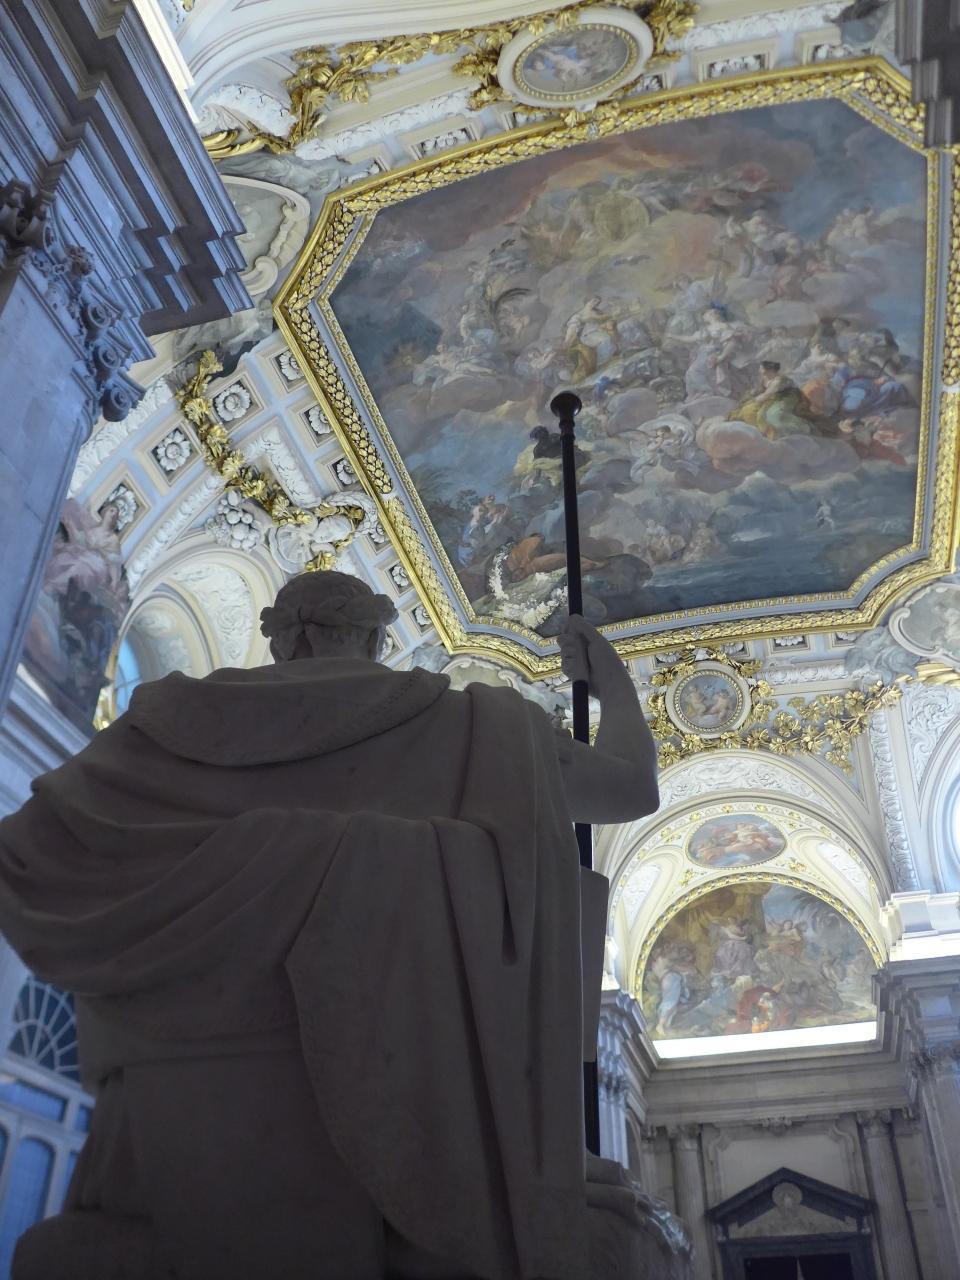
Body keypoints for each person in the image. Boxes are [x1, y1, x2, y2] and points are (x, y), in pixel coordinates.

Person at [0, 570, 666, 1280]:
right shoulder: (478, 727)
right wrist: (609, 682)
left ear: (283, 640)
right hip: (400, 1122)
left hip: (169, 1121)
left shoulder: (169, 722)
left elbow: (27, 853)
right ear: (376, 638)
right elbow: (630, 785)